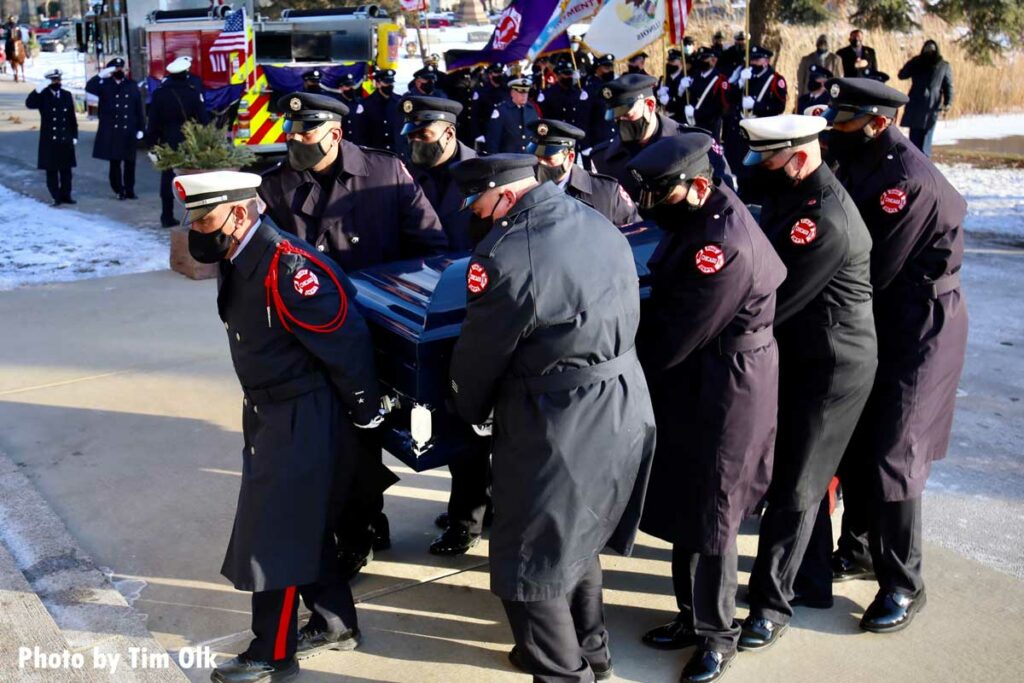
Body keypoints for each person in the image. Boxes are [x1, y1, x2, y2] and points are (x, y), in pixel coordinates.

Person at [448, 153, 655, 683]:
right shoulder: (594, 218)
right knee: (577, 536)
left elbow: (480, 355)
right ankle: (593, 651)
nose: (480, 216)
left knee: (528, 562)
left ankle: (563, 671)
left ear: (505, 194)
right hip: (623, 400)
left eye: (481, 204)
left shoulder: (507, 254)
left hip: (557, 419)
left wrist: (466, 411)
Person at [173, 171, 381, 683]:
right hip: (269, 410)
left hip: (302, 415)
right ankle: (335, 621)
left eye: (206, 218)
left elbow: (347, 346)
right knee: (299, 525)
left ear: (240, 213)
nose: (198, 230)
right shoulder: (239, 255)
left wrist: (363, 414)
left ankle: (272, 650)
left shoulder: (290, 268)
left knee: (275, 535)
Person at [259, 93, 448, 577]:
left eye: (306, 131)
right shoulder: (276, 187)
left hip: (380, 332)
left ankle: (366, 515)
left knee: (376, 433)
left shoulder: (385, 175)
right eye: (292, 130)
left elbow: (429, 247)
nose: (295, 140)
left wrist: (394, 302)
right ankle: (358, 529)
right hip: (314, 339)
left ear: (335, 133)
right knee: (337, 441)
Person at [628, 134, 785, 683]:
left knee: (715, 509)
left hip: (727, 384)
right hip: (700, 376)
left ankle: (718, 636)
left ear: (697, 186)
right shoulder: (698, 216)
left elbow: (675, 335)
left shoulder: (722, 244)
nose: (651, 205)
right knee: (687, 498)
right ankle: (690, 617)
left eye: (660, 193)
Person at [817, 77, 968, 633]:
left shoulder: (904, 182)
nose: (835, 129)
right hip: (883, 315)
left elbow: (871, 270)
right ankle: (857, 549)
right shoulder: (863, 157)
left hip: (918, 323)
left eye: (845, 121)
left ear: (878, 122)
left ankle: (904, 583)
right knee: (860, 435)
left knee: (894, 451)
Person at [734, 114, 877, 653]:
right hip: (804, 354)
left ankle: (772, 605)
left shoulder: (824, 221)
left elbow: (776, 301)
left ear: (798, 158)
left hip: (832, 367)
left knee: (797, 484)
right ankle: (811, 582)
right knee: (799, 475)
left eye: (768, 159)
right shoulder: (796, 195)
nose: (759, 170)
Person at [399, 96, 492, 555]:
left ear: (449, 133)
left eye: (424, 134)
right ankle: (474, 503)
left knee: (471, 421)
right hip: (432, 310)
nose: (416, 142)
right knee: (454, 422)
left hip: (478, 311)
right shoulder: (408, 172)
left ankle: (467, 520)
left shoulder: (486, 172)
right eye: (412, 134)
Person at [590, 73, 734, 207]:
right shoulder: (603, 158)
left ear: (650, 105)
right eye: (616, 117)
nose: (621, 121)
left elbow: (725, 199)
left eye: (627, 114)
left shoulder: (695, 144)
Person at [527, 118, 639, 226]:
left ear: (570, 157)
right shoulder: (524, 191)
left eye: (548, 158)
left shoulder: (606, 192)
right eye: (536, 157)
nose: (541, 163)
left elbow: (635, 232)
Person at [146, 56, 209, 227]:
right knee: (192, 179)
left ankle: (166, 216)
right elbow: (203, 120)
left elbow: (153, 122)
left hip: (168, 142)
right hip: (190, 142)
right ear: (186, 73)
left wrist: (152, 145)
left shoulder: (159, 94)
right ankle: (195, 217)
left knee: (167, 180)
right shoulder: (192, 92)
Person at [723, 45, 787, 204]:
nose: (754, 62)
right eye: (752, 59)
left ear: (766, 61)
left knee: (757, 171)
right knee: (740, 168)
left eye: (758, 59)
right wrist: (739, 83)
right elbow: (730, 99)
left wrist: (757, 105)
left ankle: (757, 201)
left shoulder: (775, 79)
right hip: (741, 131)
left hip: (760, 132)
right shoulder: (747, 76)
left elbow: (779, 107)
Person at [87, 57, 145, 200]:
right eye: (116, 69)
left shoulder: (131, 85)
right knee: (115, 163)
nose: (120, 71)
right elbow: (90, 87)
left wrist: (141, 128)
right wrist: (101, 74)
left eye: (121, 68)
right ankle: (119, 189)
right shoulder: (104, 85)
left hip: (129, 129)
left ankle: (130, 189)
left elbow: (138, 108)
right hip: (113, 130)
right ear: (111, 71)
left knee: (130, 162)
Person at [26, 69, 77, 206]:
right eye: (54, 80)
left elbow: (72, 117)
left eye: (58, 80)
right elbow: (29, 104)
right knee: (52, 170)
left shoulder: (67, 95)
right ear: (48, 82)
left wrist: (74, 135)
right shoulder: (43, 95)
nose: (57, 82)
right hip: (50, 138)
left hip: (65, 137)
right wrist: (38, 89)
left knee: (66, 171)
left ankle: (66, 195)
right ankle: (56, 196)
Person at [898, 40, 953, 157]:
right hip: (916, 101)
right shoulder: (917, 62)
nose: (929, 52)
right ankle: (914, 159)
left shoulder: (943, 65)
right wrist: (912, 62)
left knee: (926, 136)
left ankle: (923, 161)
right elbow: (902, 75)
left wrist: (948, 102)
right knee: (914, 136)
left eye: (931, 50)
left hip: (931, 104)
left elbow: (948, 85)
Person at [676, 47, 731, 139]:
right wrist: (681, 90)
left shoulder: (720, 80)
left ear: (713, 61)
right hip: (693, 122)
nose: (702, 61)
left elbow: (721, 106)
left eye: (705, 58)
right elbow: (688, 98)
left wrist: (697, 112)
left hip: (710, 126)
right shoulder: (694, 77)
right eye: (700, 58)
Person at [484, 77, 541, 155]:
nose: (524, 96)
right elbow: (493, 141)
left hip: (528, 159)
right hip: (508, 160)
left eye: (526, 92)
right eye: (521, 92)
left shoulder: (531, 110)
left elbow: (535, 136)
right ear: (512, 93)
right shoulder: (502, 111)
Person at [359, 69, 403, 154]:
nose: (390, 85)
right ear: (378, 84)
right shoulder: (366, 103)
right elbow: (362, 132)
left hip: (397, 152)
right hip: (376, 152)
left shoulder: (399, 101)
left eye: (391, 82)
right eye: (386, 83)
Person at [537, 60, 588, 131]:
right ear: (558, 75)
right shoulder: (549, 93)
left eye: (570, 74)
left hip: (575, 133)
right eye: (566, 74)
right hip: (558, 134)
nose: (569, 77)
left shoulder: (578, 93)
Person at [583, 53, 618, 151]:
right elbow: (585, 117)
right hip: (598, 141)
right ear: (597, 68)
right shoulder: (590, 88)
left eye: (611, 67)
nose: (610, 70)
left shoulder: (614, 86)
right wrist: (586, 144)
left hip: (614, 138)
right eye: (606, 67)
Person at [471, 63, 509, 148]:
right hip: (486, 132)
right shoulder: (481, 91)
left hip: (504, 132)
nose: (499, 75)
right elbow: (475, 115)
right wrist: (478, 134)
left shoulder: (506, 90)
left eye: (500, 72)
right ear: (490, 75)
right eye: (496, 73)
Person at [336, 73, 363, 144]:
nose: (351, 88)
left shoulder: (360, 103)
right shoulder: (337, 104)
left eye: (352, 85)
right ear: (340, 88)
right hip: (343, 143)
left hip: (359, 143)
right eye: (348, 86)